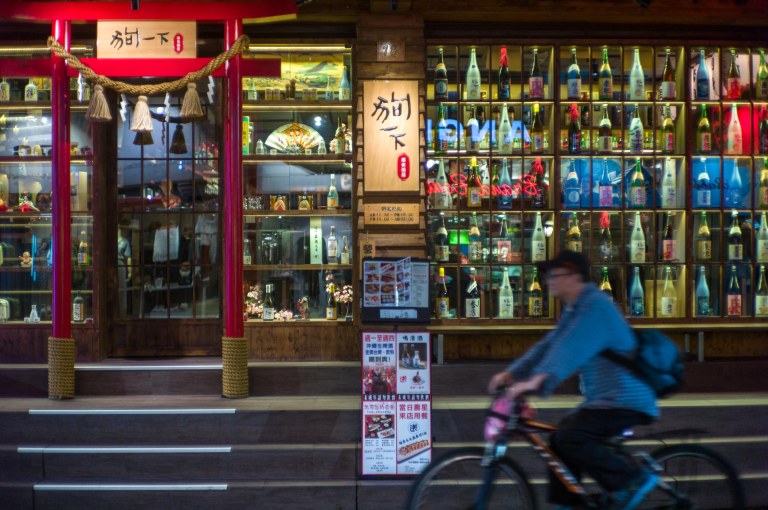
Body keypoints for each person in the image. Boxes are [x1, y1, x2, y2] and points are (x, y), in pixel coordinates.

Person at [487, 250, 659, 510]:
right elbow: (548, 345)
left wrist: (533, 381)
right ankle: (568, 504)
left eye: (555, 275)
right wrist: (513, 374)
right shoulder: (575, 309)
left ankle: (632, 480)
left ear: (574, 277)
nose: (549, 280)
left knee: (570, 437)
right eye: (548, 275)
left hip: (626, 399)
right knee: (559, 439)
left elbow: (569, 350)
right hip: (605, 399)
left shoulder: (595, 307)